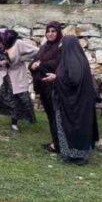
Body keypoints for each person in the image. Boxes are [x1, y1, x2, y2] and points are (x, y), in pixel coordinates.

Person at [42, 36, 99, 165]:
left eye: (62, 44)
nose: (60, 47)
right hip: (75, 103)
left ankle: (75, 155)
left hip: (73, 104)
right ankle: (70, 153)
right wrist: (57, 77)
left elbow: (74, 80)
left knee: (72, 128)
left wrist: (56, 79)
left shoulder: (73, 61)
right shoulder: (74, 59)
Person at [0, 29, 38, 131]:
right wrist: (1, 63)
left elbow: (36, 51)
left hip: (16, 76)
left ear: (5, 40)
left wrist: (21, 58)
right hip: (4, 76)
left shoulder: (18, 44)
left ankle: (14, 123)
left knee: (15, 99)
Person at [30, 22, 63, 153]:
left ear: (58, 32)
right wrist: (32, 66)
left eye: (53, 31)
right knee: (50, 115)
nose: (50, 34)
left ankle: (60, 144)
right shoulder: (44, 47)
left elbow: (59, 64)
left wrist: (41, 64)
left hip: (54, 87)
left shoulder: (61, 47)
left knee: (56, 115)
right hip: (43, 86)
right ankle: (55, 142)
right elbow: (35, 61)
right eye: (48, 31)